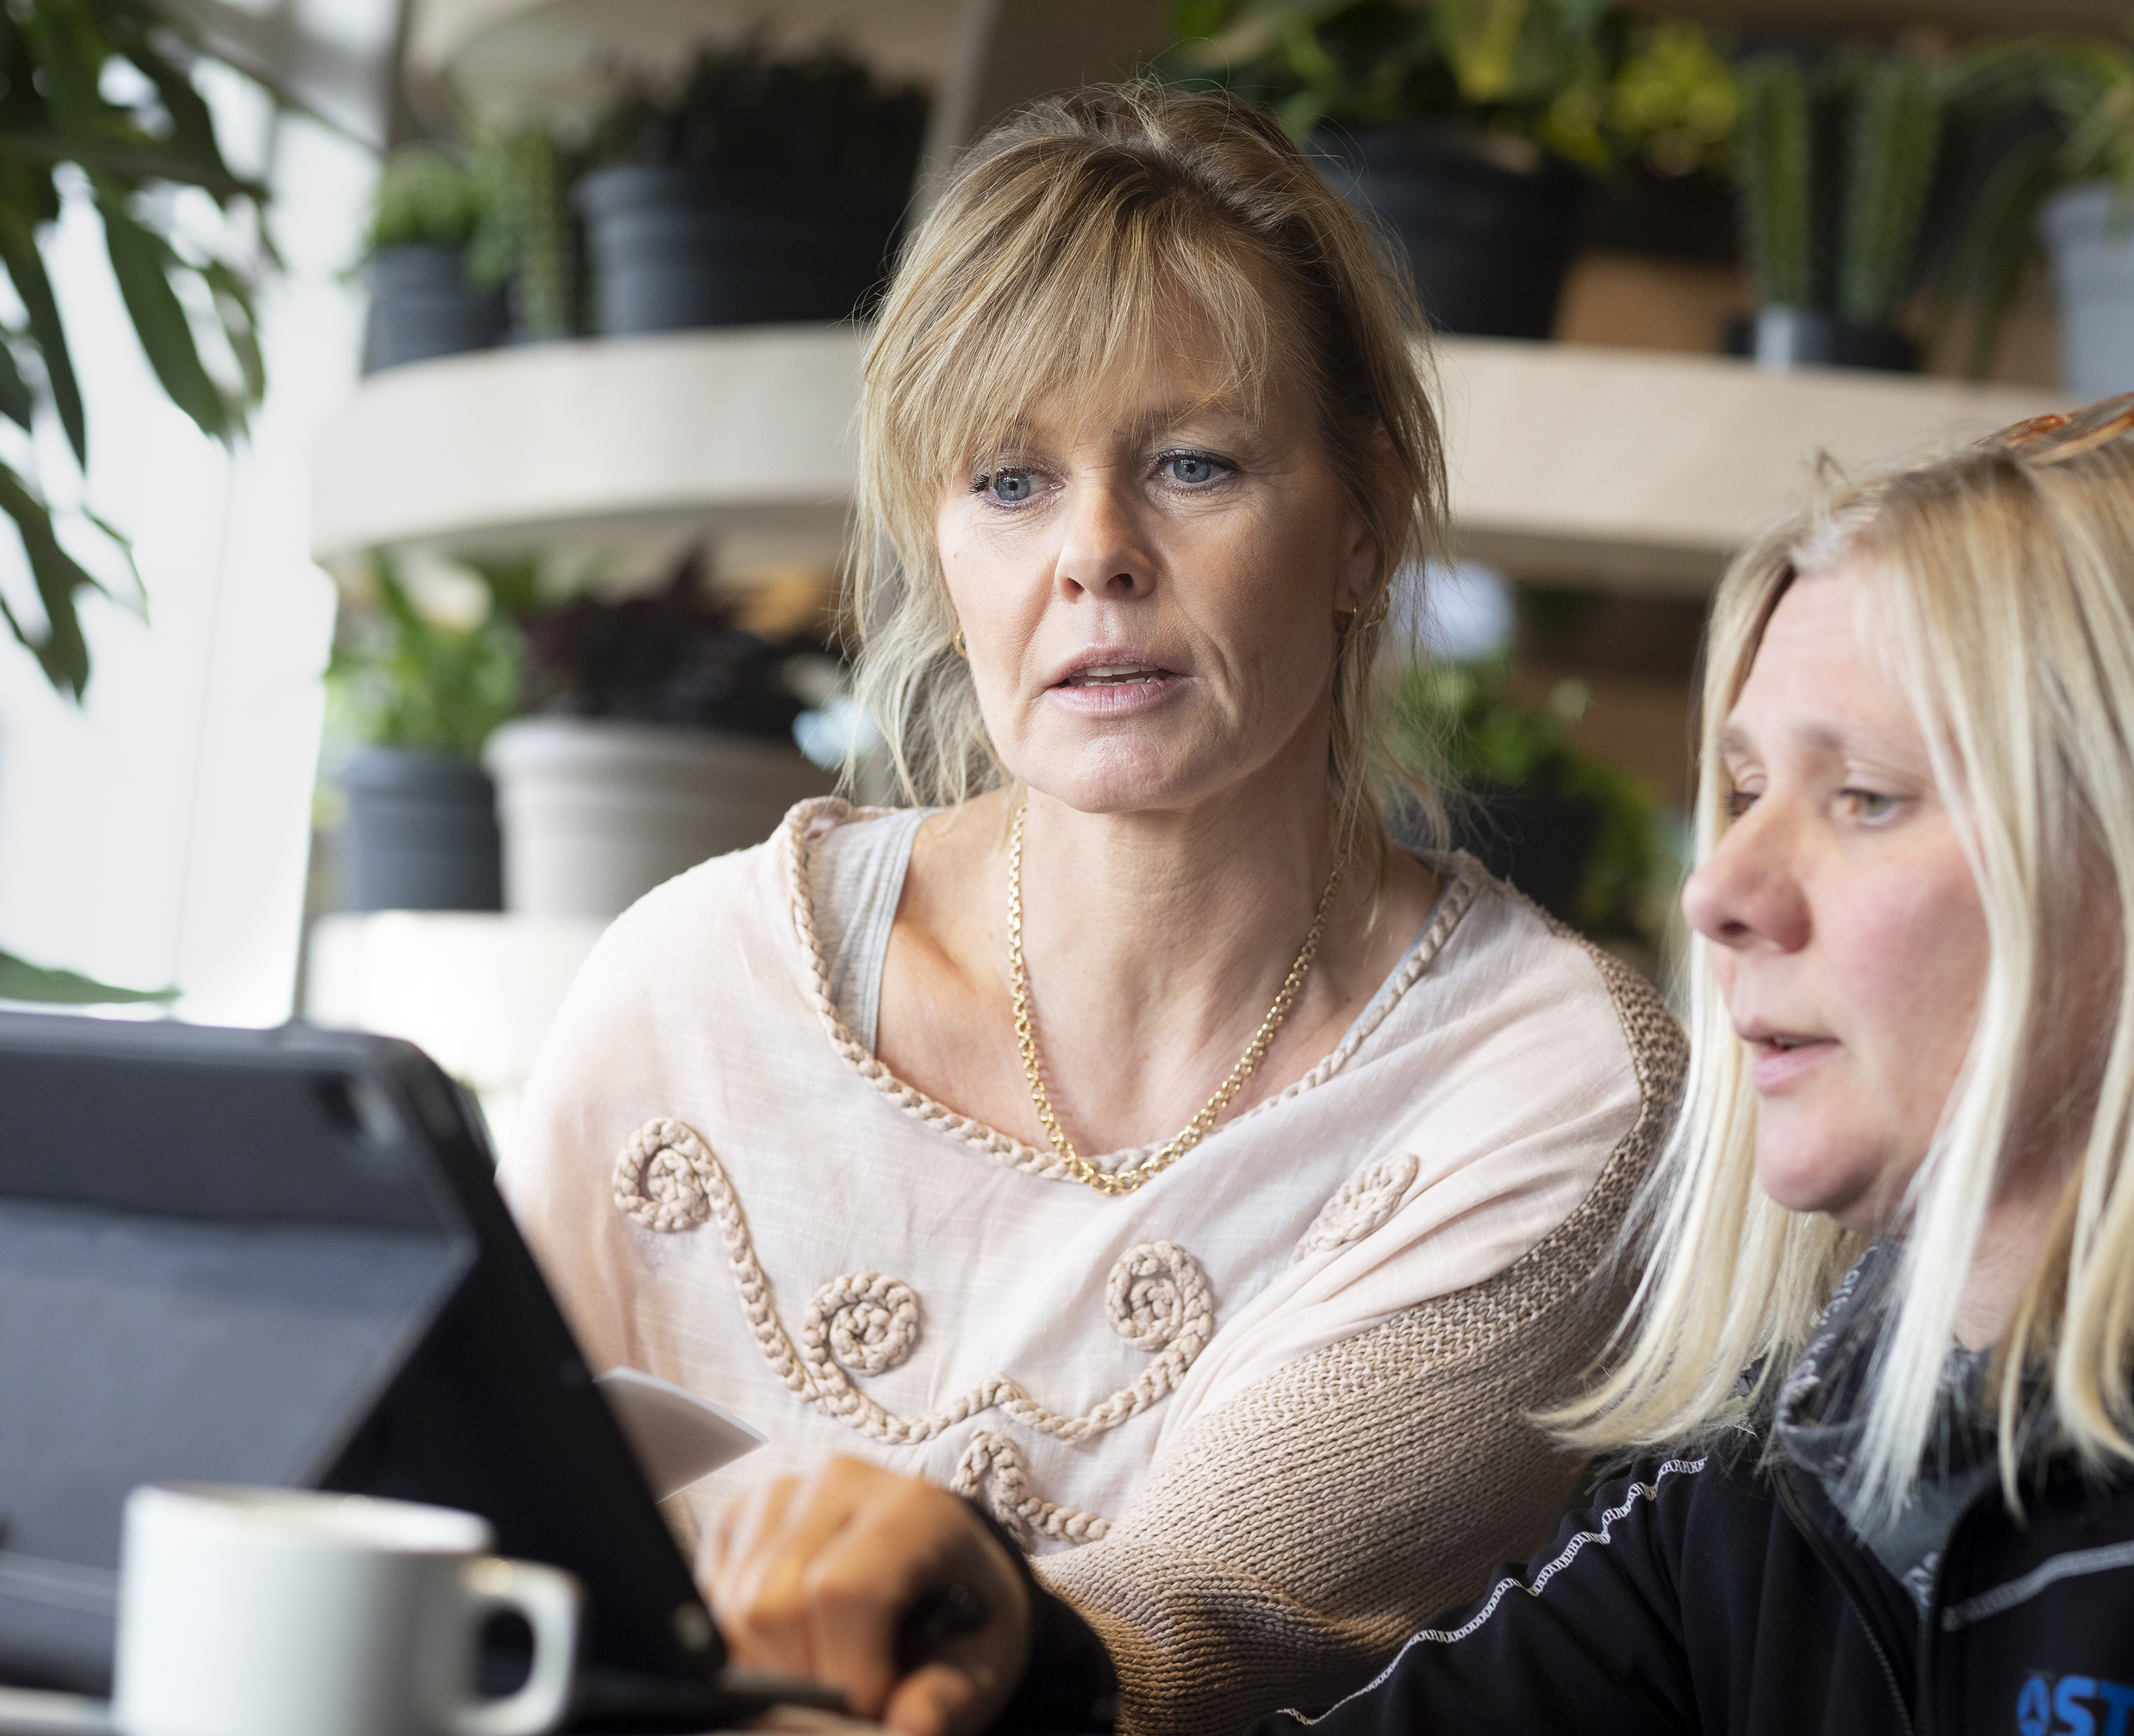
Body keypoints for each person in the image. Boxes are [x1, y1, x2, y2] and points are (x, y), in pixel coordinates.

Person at [761, 399, 2134, 1733]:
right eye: (1740, 790)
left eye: (1863, 796)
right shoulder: (1752, 1505)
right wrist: (1016, 1657)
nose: (1721, 889)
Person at [500, 83, 1682, 1736]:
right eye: (1009, 481)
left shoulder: (1543, 1082)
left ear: (1368, 519)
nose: (1096, 555)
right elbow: (455, 1528)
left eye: (1194, 464)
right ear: (936, 537)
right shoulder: (694, 986)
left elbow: (1182, 1642)